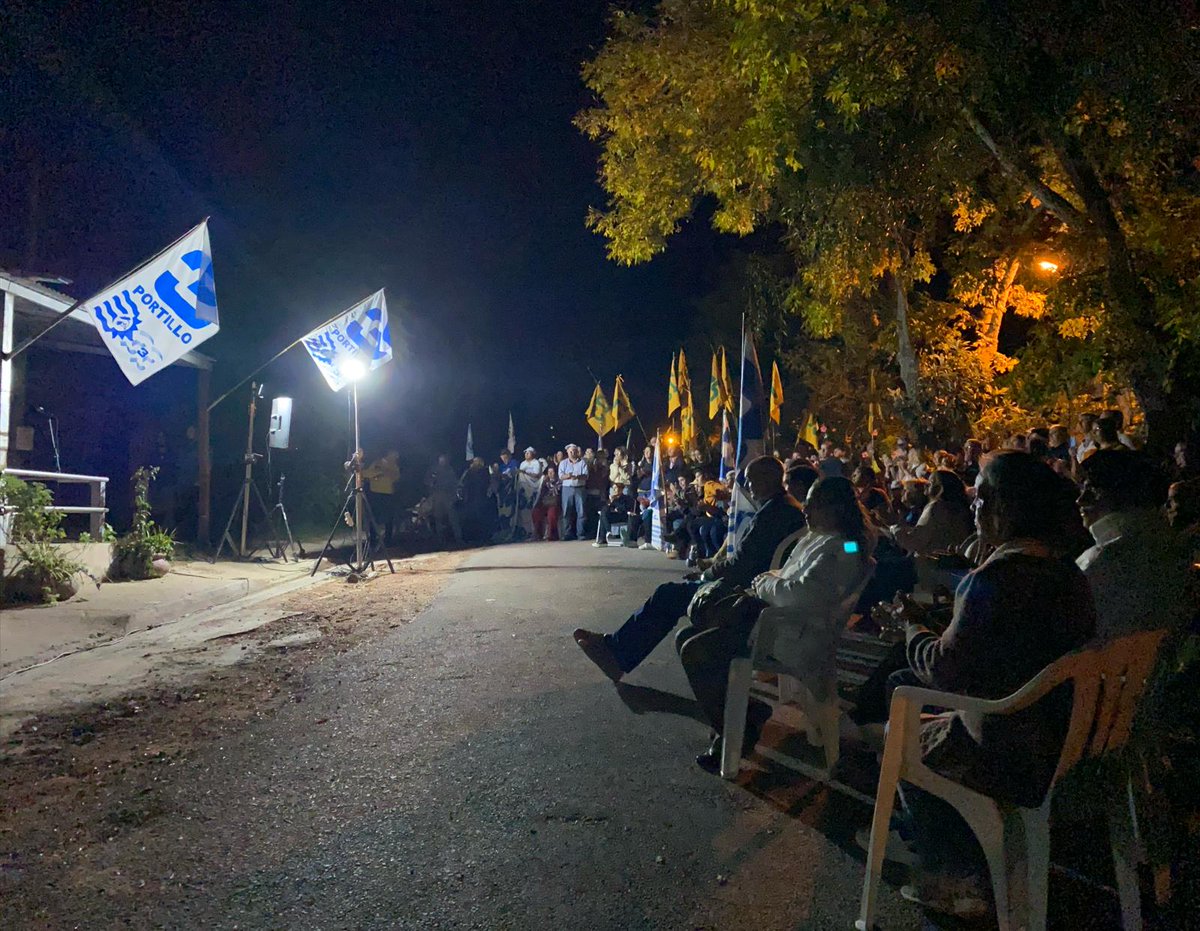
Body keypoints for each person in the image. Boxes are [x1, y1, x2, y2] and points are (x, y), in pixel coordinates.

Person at [886, 452, 1097, 916]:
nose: (974, 509)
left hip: (1009, 747)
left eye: (980, 498)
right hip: (1063, 736)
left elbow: (944, 669)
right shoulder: (1068, 572)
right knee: (929, 712)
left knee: (901, 733)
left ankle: (958, 875)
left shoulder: (1001, 574)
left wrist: (910, 629)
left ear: (1006, 508)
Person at [679, 476, 874, 771]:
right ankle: (738, 720)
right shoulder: (819, 537)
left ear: (836, 509)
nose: (805, 511)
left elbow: (803, 594)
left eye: (813, 505)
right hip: (776, 622)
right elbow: (788, 579)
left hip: (792, 633)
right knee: (687, 637)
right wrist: (770, 583)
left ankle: (738, 727)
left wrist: (764, 583)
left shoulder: (845, 547)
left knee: (696, 649)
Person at [572, 456, 807, 680]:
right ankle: (616, 649)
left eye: (751, 479)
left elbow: (742, 563)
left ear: (767, 478)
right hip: (755, 586)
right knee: (672, 593)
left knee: (667, 595)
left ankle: (617, 654)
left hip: (743, 594)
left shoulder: (772, 514)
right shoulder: (786, 508)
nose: (748, 486)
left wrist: (707, 573)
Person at [1076, 450, 1193, 641]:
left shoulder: (1099, 563)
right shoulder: (1175, 547)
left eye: (1092, 490)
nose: (1080, 500)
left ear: (1122, 494)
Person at [890, 469, 974, 556]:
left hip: (935, 564)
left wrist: (896, 527)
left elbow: (914, 542)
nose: (925, 486)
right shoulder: (960, 507)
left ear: (939, 489)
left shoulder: (936, 508)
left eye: (930, 483)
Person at [362, 449, 400, 547]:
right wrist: (379, 473)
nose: (396, 457)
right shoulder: (378, 462)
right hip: (375, 494)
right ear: (389, 454)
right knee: (373, 517)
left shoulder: (394, 466)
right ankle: (373, 539)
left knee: (389, 518)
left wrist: (381, 474)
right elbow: (366, 474)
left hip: (388, 494)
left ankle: (388, 540)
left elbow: (395, 477)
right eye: (395, 454)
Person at [426, 454, 463, 546]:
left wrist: (454, 496)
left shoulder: (449, 470)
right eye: (441, 460)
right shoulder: (433, 470)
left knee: (453, 518)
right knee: (438, 519)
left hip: (448, 496)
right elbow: (427, 481)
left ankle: (459, 539)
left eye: (444, 460)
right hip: (437, 496)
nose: (442, 461)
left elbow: (454, 483)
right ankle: (441, 541)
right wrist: (432, 482)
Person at [459, 457, 492, 544]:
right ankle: (471, 538)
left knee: (482, 517)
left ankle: (484, 537)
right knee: (471, 518)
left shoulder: (484, 471)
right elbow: (462, 483)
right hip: (470, 498)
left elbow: (488, 482)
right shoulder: (469, 471)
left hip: (481, 497)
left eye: (477, 461)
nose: (475, 463)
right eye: (474, 461)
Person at [558, 444, 589, 540]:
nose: (572, 453)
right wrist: (568, 476)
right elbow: (560, 476)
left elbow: (586, 476)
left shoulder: (582, 463)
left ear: (577, 452)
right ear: (567, 452)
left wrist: (578, 476)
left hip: (579, 488)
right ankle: (567, 534)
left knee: (581, 511)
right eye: (570, 451)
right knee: (566, 511)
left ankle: (581, 534)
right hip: (567, 488)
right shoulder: (563, 463)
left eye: (574, 451)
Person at [532, 466, 562, 541]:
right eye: (549, 472)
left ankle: (552, 535)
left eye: (552, 472)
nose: (550, 474)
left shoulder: (560, 482)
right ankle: (538, 535)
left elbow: (559, 493)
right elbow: (542, 494)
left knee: (552, 514)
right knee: (536, 512)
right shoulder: (545, 482)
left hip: (555, 503)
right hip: (545, 502)